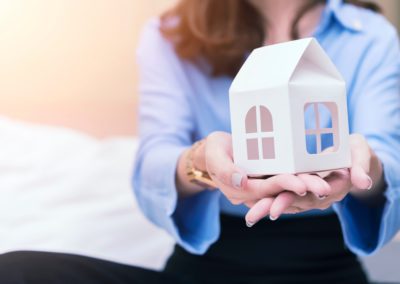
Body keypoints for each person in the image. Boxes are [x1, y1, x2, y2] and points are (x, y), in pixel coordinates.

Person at [0, 0, 399, 283]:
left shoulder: (368, 34)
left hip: (325, 268)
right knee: (17, 271)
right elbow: (153, 160)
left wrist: (370, 168)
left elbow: (385, 153)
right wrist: (202, 163)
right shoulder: (171, 34)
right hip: (206, 268)